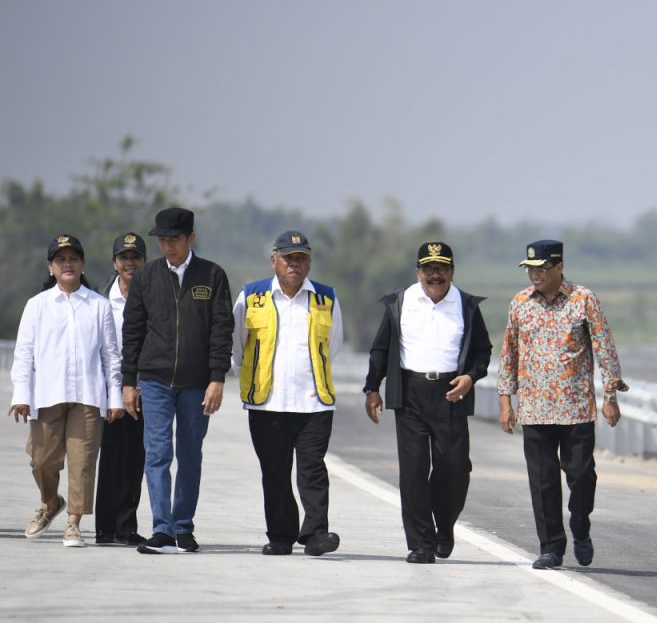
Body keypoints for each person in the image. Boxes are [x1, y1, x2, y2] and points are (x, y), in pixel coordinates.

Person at [498, 239, 627, 569]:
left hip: (576, 408)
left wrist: (609, 397)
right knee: (542, 483)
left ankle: (580, 526)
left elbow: (604, 348)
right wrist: (505, 400)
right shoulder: (520, 304)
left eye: (542, 269)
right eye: (531, 269)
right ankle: (551, 547)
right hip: (535, 408)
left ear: (559, 267)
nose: (536, 275)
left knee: (582, 476)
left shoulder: (584, 300)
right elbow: (508, 354)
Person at [364, 242, 491, 563]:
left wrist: (470, 378)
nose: (435, 275)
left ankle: (444, 526)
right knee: (413, 470)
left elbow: (482, 351)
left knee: (456, 468)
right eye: (429, 269)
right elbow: (381, 348)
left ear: (452, 272)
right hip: (410, 392)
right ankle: (421, 543)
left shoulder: (465, 305)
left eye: (442, 268)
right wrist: (372, 387)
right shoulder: (401, 302)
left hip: (451, 391)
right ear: (418, 271)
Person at [121, 207, 234, 554]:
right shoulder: (147, 276)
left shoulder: (212, 276)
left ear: (191, 238)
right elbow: (133, 330)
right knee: (157, 453)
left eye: (174, 239)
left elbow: (221, 330)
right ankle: (162, 529)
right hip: (154, 380)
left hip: (197, 383)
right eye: (163, 240)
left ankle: (184, 527)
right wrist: (129, 381)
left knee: (189, 453)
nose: (167, 246)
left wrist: (217, 379)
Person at [232, 231, 343, 557]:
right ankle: (280, 535)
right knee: (275, 472)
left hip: (313, 402)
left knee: (313, 471)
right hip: (267, 402)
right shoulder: (252, 297)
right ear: (274, 260)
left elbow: (332, 346)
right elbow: (238, 347)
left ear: (309, 263)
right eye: (288, 258)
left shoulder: (326, 298)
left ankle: (315, 535)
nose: (295, 264)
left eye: (301, 259)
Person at [9, 235, 124, 547]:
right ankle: (50, 502)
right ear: (51, 267)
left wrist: (115, 396)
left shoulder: (98, 306)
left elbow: (111, 355)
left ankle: (73, 522)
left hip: (88, 397)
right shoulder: (37, 306)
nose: (68, 264)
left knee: (83, 462)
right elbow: (24, 354)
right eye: (61, 260)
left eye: (73, 259)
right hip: (47, 395)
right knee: (41, 459)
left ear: (82, 264)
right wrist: (21, 394)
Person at [94, 232, 148, 546]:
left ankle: (126, 527)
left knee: (135, 459)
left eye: (136, 257)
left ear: (144, 261)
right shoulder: (100, 299)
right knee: (111, 458)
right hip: (108, 390)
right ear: (115, 262)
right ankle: (104, 528)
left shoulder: (152, 296)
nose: (130, 263)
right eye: (124, 258)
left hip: (142, 390)